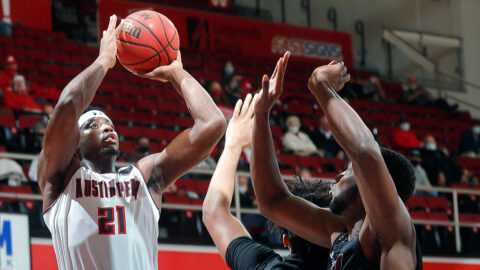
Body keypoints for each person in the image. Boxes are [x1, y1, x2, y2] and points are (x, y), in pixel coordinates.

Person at [37, 15, 226, 269]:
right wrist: (105, 60)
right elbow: (69, 103)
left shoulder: (143, 178)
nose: (106, 128)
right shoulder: (60, 180)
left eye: (110, 125)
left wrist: (176, 73)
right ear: (75, 144)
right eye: (93, 125)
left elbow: (213, 123)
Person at [251, 52, 422, 269]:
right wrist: (261, 113)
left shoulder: (392, 228)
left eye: (350, 171)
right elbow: (272, 202)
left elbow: (365, 153)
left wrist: (320, 83)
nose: (339, 175)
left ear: (376, 183)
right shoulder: (340, 232)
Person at [202, 94, 330, 269]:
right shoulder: (358, 261)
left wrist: (233, 144)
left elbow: (213, 212)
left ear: (285, 240)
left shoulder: (267, 267)